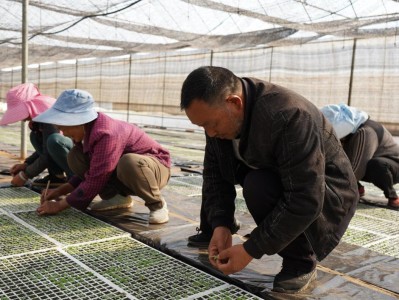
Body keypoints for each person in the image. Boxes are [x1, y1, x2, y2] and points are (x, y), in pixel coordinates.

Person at [180, 66, 359, 294]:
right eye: (202, 126)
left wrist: (250, 249)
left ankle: (301, 261)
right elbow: (215, 174)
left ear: (234, 103)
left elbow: (306, 197)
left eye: (211, 124)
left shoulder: (289, 115)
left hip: (329, 193)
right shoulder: (220, 119)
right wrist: (220, 224)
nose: (210, 133)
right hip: (282, 176)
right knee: (252, 181)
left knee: (259, 186)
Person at [33, 89, 171, 224]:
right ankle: (116, 197)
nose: (63, 132)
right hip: (126, 172)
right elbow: (92, 170)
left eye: (63, 127)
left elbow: (97, 176)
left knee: (128, 162)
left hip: (153, 169)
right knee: (75, 157)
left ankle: (157, 204)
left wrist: (59, 205)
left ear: (77, 121)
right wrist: (59, 191)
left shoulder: (107, 133)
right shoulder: (87, 132)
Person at [321, 103, 399, 209]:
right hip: (373, 165)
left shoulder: (366, 132)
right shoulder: (351, 133)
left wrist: (331, 192)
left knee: (374, 165)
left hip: (391, 167)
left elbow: (356, 170)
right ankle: (358, 189)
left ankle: (393, 196)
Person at [0, 83, 73, 187]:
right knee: (35, 137)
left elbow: (49, 151)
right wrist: (26, 164)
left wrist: (25, 175)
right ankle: (57, 177)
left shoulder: (48, 117)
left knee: (54, 140)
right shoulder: (38, 121)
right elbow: (45, 150)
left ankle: (76, 179)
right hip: (66, 150)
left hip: (78, 152)